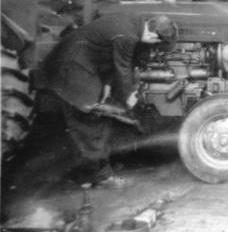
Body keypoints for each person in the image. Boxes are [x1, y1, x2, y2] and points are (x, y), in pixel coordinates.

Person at [41, 12, 177, 187]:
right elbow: (123, 67)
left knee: (101, 120)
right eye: (157, 42)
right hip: (71, 68)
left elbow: (108, 55)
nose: (156, 45)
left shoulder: (138, 21)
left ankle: (100, 166)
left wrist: (107, 83)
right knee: (88, 122)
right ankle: (96, 177)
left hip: (87, 64)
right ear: (151, 34)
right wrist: (129, 96)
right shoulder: (127, 36)